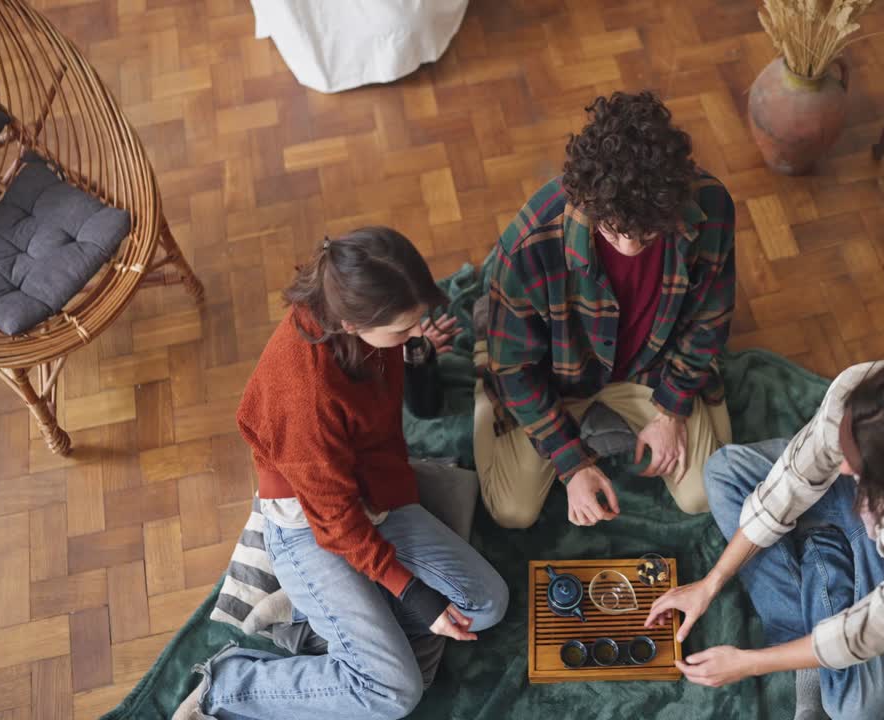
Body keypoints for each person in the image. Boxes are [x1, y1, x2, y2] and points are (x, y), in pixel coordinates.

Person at [175, 228, 508, 720]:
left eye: (418, 321)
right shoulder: (303, 392)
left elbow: (379, 424)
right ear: (353, 323)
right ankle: (228, 687)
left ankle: (314, 626)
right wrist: (412, 594)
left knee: (486, 603)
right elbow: (335, 521)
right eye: (404, 328)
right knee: (393, 692)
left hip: (368, 489)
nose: (416, 334)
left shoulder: (364, 324)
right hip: (311, 522)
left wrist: (405, 338)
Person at [645, 351, 884, 720]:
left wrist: (750, 664)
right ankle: (819, 591)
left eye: (854, 462)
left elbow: (868, 631)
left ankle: (818, 566)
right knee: (723, 472)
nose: (840, 466)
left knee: (851, 708)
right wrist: (710, 584)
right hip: (877, 502)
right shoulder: (863, 395)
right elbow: (787, 488)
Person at [474, 90, 737, 529]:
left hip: (649, 371)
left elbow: (710, 320)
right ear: (586, 199)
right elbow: (517, 371)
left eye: (649, 235)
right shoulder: (528, 243)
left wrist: (671, 410)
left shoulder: (710, 207)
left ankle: (647, 415)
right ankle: (484, 354)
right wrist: (571, 463)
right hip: (560, 381)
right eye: (614, 233)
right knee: (511, 511)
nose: (631, 248)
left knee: (703, 494)